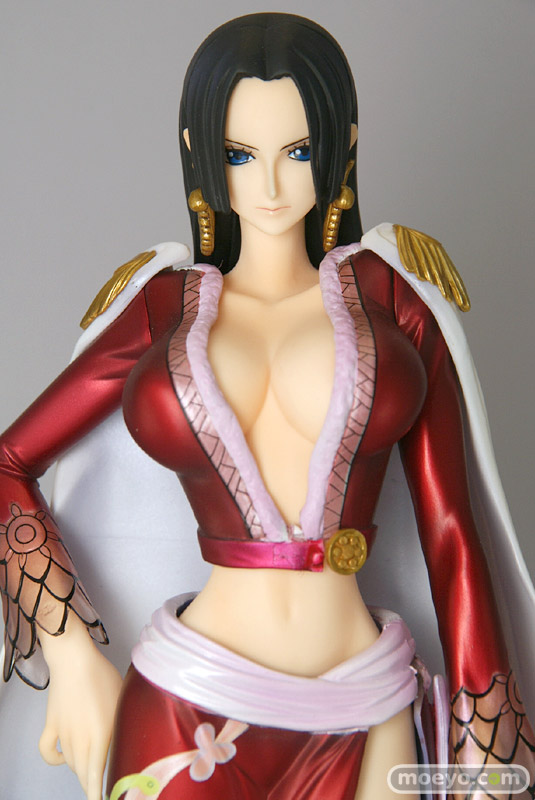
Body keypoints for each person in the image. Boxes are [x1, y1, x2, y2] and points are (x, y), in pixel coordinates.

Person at [1, 13, 534, 800]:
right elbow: (8, 462)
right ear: (199, 154)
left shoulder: (392, 302)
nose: (272, 186)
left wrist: (487, 752)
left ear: (343, 145)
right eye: (240, 155)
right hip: (186, 699)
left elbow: (452, 536)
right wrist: (72, 654)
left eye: (299, 151)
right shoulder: (164, 307)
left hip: (364, 698)